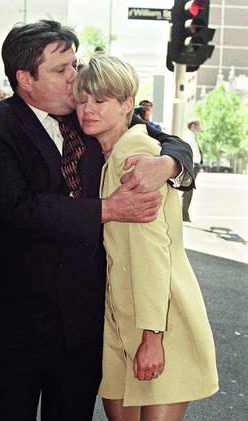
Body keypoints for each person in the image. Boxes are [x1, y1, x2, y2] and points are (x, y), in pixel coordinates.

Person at [0, 20, 194, 421]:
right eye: (62, 69)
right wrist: (108, 209)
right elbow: (18, 209)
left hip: (84, 324)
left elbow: (164, 139)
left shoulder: (87, 115)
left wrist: (168, 163)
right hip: (19, 325)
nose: (75, 78)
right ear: (25, 79)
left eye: (75, 64)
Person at [74, 54, 218, 421]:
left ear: (127, 105)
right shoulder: (105, 153)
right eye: (82, 100)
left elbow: (152, 250)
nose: (88, 109)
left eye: (100, 101)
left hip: (157, 322)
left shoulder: (135, 154)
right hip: (121, 322)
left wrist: (152, 337)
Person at [181, 119, 203, 222]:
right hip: (191, 166)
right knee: (188, 190)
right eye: (198, 126)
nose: (199, 128)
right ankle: (184, 214)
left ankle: (184, 213)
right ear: (193, 125)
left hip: (193, 166)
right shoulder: (188, 137)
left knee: (188, 190)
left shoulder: (191, 136)